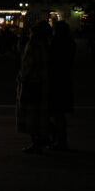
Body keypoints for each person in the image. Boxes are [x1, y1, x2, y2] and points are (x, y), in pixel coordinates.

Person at [16, 21, 52, 153]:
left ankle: (37, 142)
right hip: (41, 83)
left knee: (31, 114)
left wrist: (22, 77)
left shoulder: (33, 45)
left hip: (31, 83)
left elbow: (28, 65)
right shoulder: (45, 45)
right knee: (39, 114)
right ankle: (43, 139)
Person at [48, 21, 75, 150]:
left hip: (56, 80)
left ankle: (59, 140)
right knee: (60, 114)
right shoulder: (70, 43)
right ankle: (61, 140)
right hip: (65, 79)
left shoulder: (55, 43)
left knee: (55, 113)